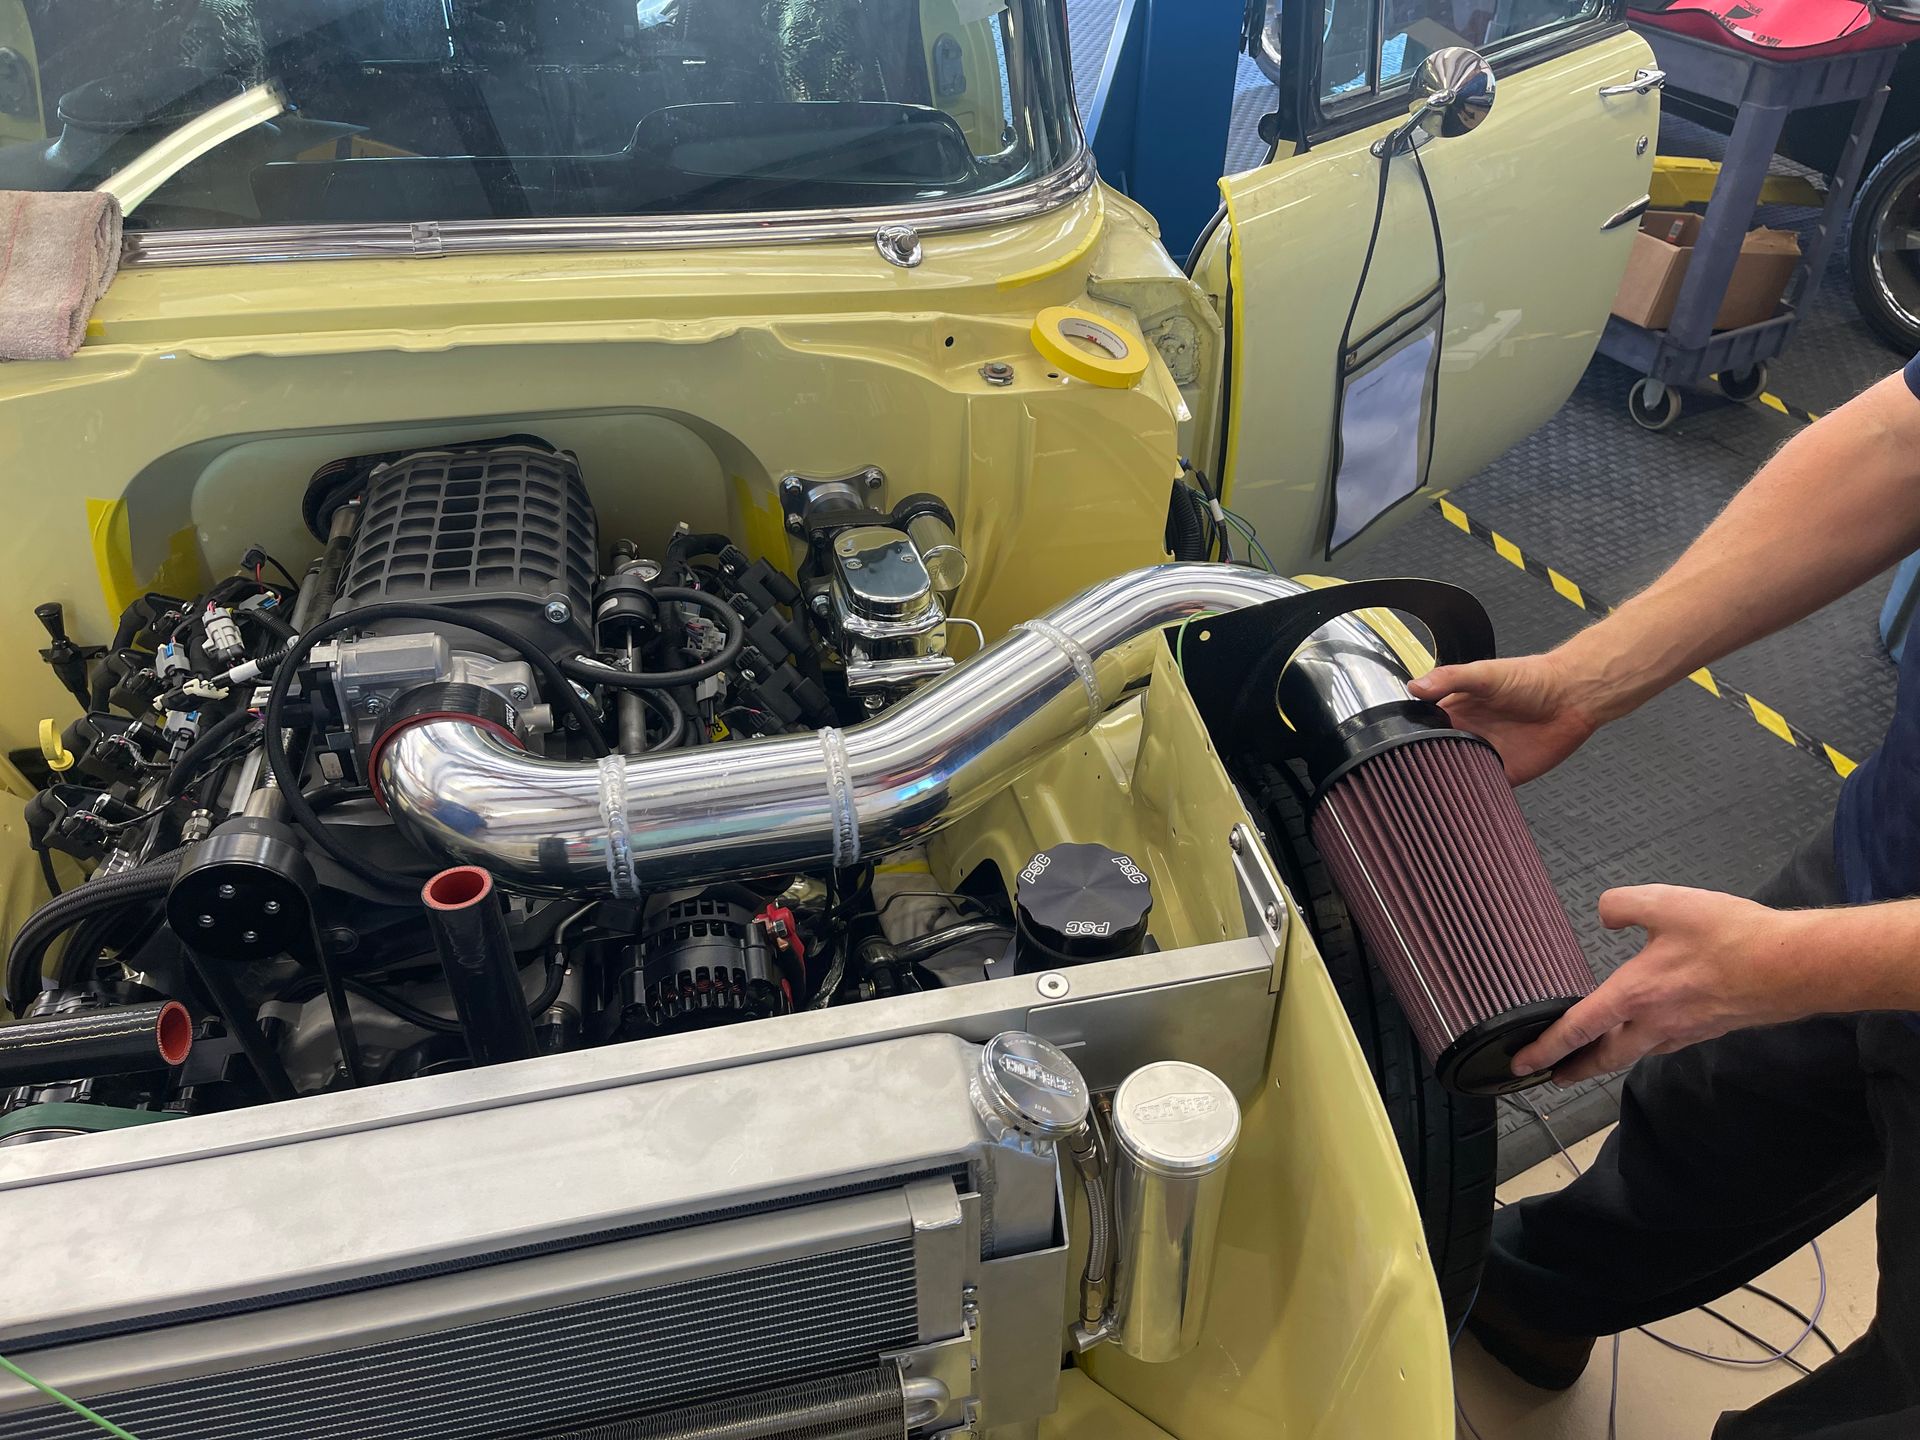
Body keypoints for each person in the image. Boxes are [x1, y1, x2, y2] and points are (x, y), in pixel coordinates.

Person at [1409, 358, 1920, 1439]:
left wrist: (1788, 969)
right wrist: (1588, 679)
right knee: (1716, 1122)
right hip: (1891, 856)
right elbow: (1901, 443)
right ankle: (1533, 1304)